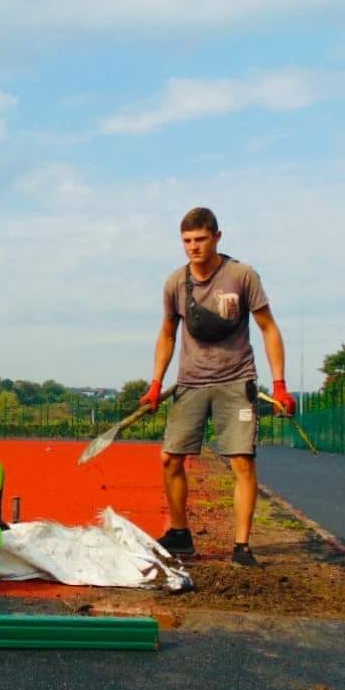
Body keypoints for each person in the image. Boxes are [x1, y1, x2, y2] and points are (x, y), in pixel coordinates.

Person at [141, 207, 295, 566]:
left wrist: (280, 384)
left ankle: (241, 546)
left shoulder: (242, 276)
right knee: (170, 458)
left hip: (235, 379)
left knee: (241, 461)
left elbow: (268, 328)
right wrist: (155, 383)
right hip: (191, 382)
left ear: (217, 237)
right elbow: (167, 335)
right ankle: (180, 534)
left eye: (200, 239)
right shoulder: (175, 283)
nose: (193, 247)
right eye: (187, 241)